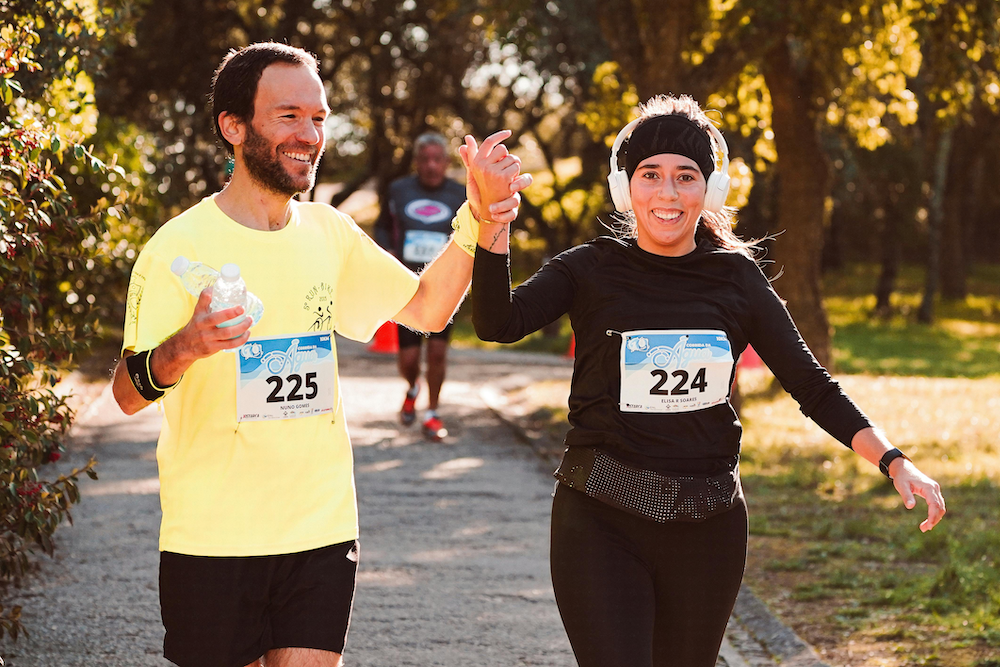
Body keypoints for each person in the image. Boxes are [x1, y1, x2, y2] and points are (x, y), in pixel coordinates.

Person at [464, 94, 947, 667]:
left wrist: (894, 460)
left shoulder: (737, 279)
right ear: (627, 187)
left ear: (709, 191)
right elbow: (497, 323)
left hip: (708, 527)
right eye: (650, 175)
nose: (667, 194)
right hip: (600, 518)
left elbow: (811, 386)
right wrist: (492, 221)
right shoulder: (589, 268)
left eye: (685, 177)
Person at [110, 42, 527, 667]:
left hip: (321, 529)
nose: (309, 135)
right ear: (233, 126)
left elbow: (427, 309)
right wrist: (187, 345)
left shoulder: (328, 233)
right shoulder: (177, 248)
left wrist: (479, 212)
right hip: (214, 537)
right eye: (288, 116)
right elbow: (124, 393)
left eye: (319, 117)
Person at [374, 132, 467, 441]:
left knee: (438, 354)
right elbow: (382, 227)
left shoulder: (459, 194)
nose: (430, 165)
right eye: (424, 159)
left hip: (445, 286)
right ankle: (412, 386)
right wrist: (386, 251)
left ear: (446, 162)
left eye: (437, 159)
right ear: (416, 162)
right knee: (410, 359)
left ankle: (433, 413)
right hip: (407, 286)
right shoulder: (399, 191)